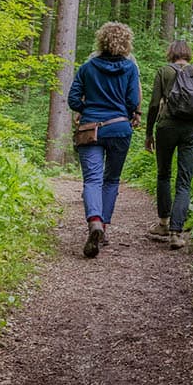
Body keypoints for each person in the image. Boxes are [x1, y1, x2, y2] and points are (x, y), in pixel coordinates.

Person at [69, 22, 142, 258]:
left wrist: (86, 109)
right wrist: (130, 114)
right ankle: (105, 228)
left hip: (91, 129)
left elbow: (72, 99)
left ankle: (95, 222)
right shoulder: (130, 69)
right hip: (120, 129)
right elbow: (133, 101)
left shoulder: (87, 67)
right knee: (111, 180)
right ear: (126, 42)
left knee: (92, 179)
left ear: (101, 40)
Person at [144, 40, 193, 250]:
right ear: (188, 54)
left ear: (171, 53)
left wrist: (148, 134)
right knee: (184, 180)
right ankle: (176, 233)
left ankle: (163, 223)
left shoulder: (164, 71)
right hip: (192, 129)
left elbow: (155, 104)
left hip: (166, 127)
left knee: (164, 174)